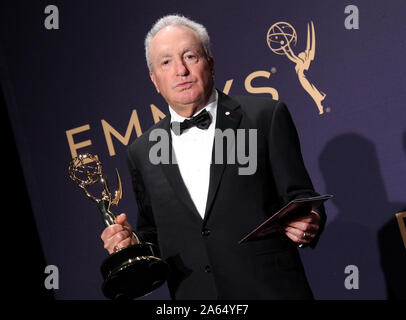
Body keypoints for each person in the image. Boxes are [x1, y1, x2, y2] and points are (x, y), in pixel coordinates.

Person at [101, 14, 326, 299]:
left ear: (210, 63)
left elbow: (303, 198)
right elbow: (154, 235)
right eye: (166, 62)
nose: (180, 70)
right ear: (154, 80)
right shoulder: (141, 152)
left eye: (190, 56)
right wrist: (132, 245)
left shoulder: (264, 117)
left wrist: (311, 218)